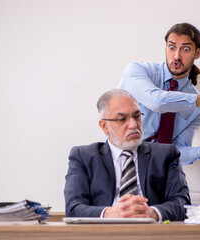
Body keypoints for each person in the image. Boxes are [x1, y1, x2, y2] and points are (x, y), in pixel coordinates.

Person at [119, 22, 200, 165]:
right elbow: (158, 102)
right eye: (172, 47)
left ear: (197, 53)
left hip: (157, 174)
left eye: (185, 49)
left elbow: (176, 153)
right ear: (165, 48)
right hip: (120, 165)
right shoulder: (137, 71)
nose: (176, 56)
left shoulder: (199, 108)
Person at [64, 89, 190, 221]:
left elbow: (183, 203)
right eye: (122, 119)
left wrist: (151, 212)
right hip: (104, 233)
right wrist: (111, 213)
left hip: (152, 232)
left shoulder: (166, 154)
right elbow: (73, 208)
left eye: (137, 116)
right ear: (104, 126)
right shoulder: (83, 157)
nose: (133, 125)